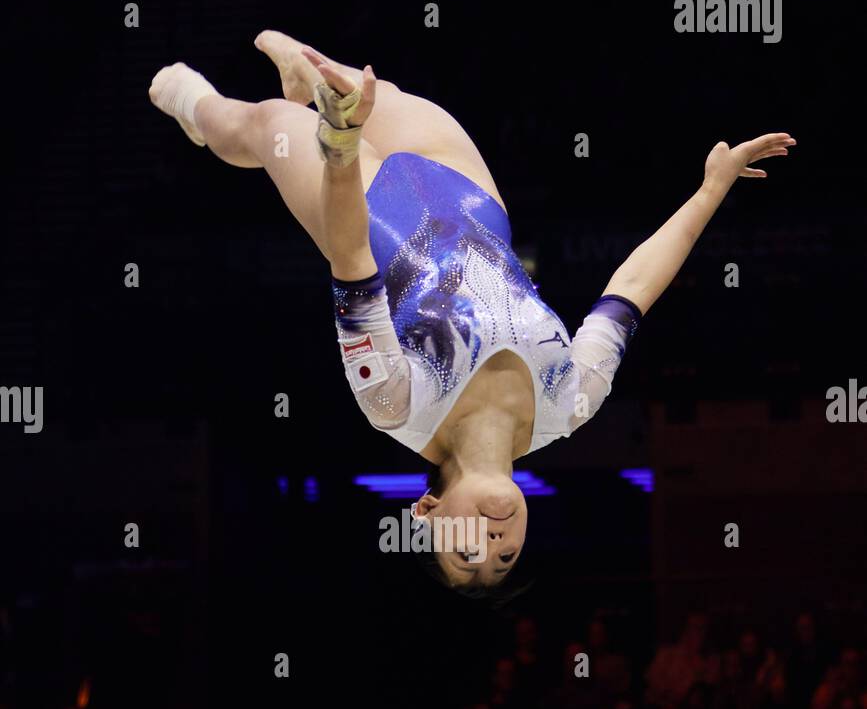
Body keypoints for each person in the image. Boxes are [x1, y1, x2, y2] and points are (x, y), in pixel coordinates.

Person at [150, 33, 794, 592]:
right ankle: (311, 81)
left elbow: (350, 260)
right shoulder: (571, 402)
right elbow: (631, 289)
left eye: (465, 552)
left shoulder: (395, 405)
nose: (492, 541)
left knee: (262, 129)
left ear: (428, 512)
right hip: (469, 195)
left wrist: (342, 148)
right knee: (382, 93)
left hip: (361, 210)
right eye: (506, 555)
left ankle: (198, 108)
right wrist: (711, 189)